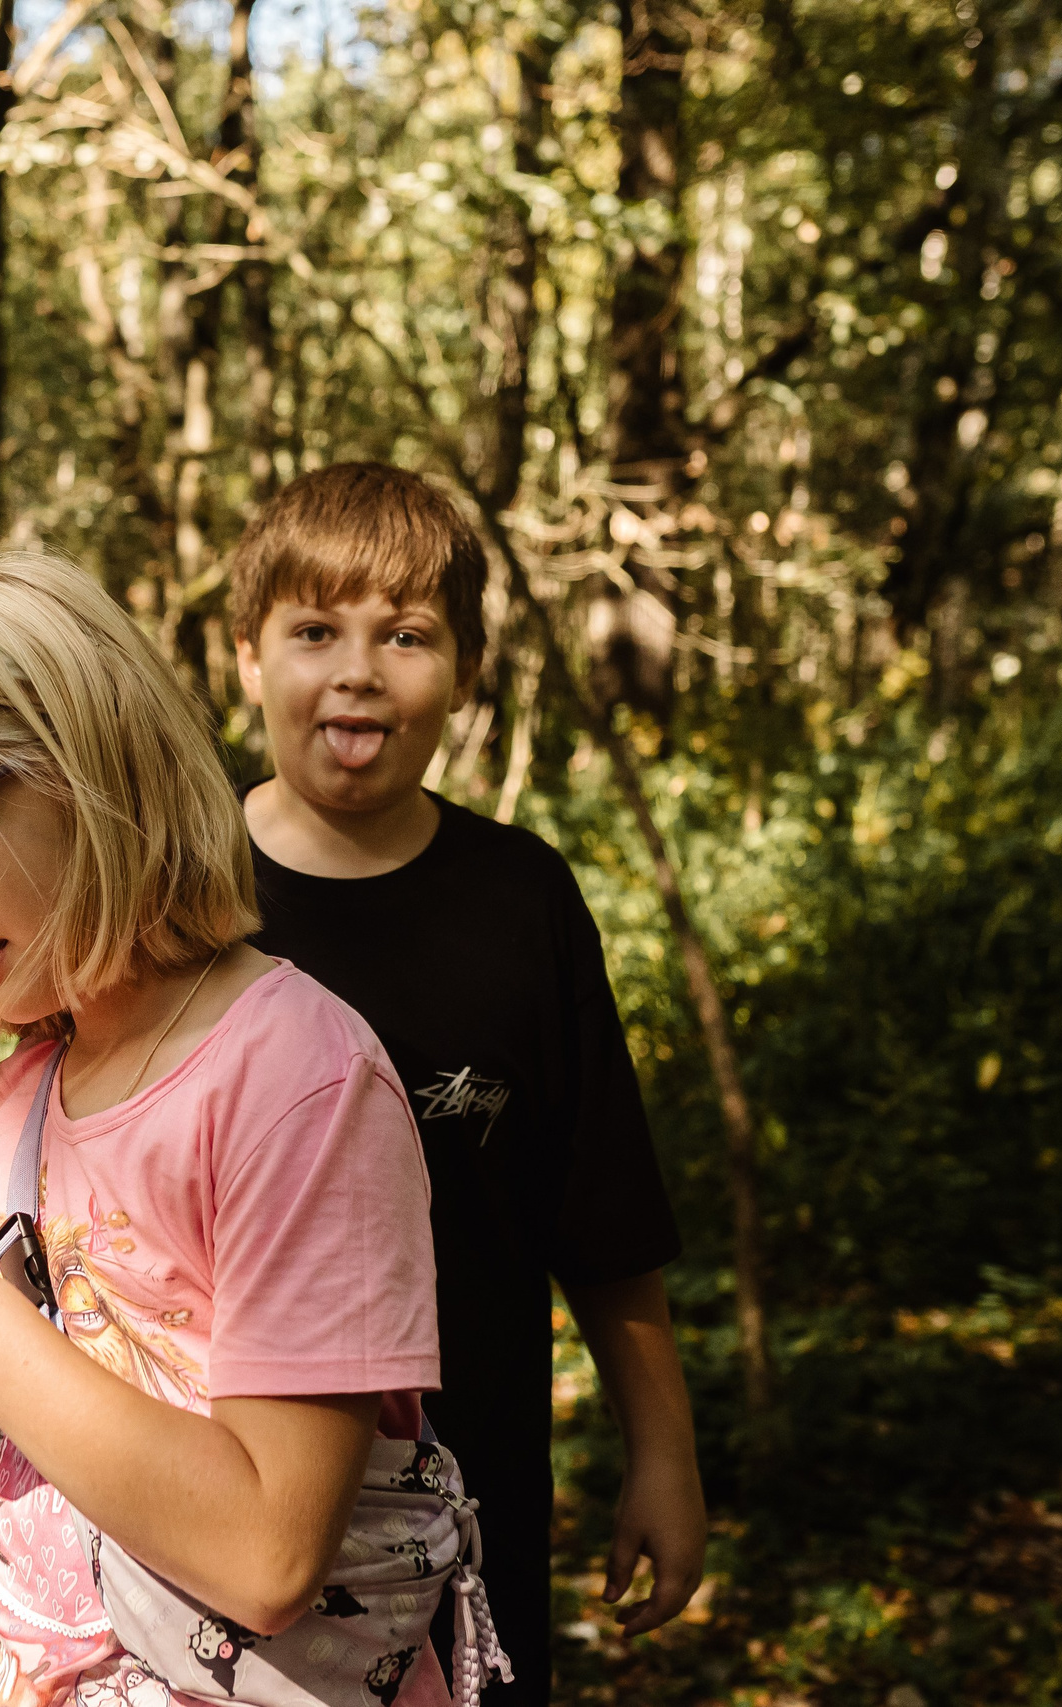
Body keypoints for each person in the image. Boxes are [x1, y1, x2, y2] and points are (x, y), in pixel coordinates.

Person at [0, 551, 480, 1706]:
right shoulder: (18, 1103)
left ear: (89, 770)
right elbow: (1, 1465)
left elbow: (269, 1556)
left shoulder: (296, 1078)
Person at [228, 463, 707, 1702]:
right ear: (246, 658)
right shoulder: (177, 885)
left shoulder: (521, 900)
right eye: (313, 631)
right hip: (217, 1509)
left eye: (405, 636)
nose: (357, 672)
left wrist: (664, 1454)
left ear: (467, 670)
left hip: (468, 1514)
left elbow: (599, 1214)